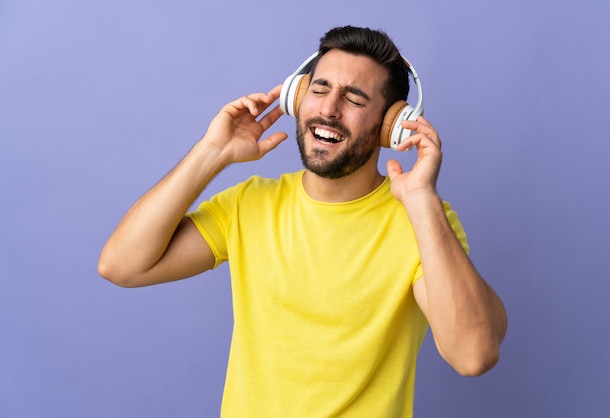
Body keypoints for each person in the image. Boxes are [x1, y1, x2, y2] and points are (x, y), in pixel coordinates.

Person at [99, 26, 507, 417]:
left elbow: (473, 354)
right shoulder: (249, 204)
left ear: (391, 127)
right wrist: (212, 152)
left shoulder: (421, 222)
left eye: (355, 98)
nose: (328, 110)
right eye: (320, 88)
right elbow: (121, 266)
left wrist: (421, 200)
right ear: (298, 97)